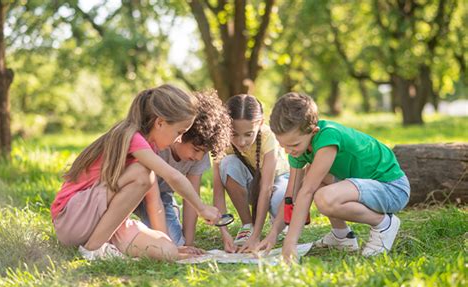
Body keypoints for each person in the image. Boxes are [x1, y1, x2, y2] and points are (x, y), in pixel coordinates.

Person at [50, 84, 220, 261]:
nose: (178, 139)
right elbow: (173, 176)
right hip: (73, 218)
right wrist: (201, 208)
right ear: (160, 122)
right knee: (142, 174)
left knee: (167, 252)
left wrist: (168, 243)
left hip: (100, 222)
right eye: (180, 132)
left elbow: (154, 201)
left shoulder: (149, 149)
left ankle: (99, 245)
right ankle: (92, 249)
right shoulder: (131, 137)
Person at [257, 92, 410, 261]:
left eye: (293, 145)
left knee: (324, 197)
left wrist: (290, 243)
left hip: (392, 189)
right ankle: (342, 237)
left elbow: (307, 191)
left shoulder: (328, 137)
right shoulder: (299, 147)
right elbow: (291, 195)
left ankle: (384, 224)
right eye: (283, 145)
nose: (288, 151)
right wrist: (272, 235)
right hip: (366, 187)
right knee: (312, 175)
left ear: (313, 131)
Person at [134, 90, 232, 249]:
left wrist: (189, 243)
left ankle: (169, 217)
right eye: (195, 149)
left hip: (163, 196)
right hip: (137, 191)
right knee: (164, 243)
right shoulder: (157, 143)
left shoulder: (198, 157)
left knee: (176, 243)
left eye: (204, 152)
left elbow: (191, 199)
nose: (199, 157)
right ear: (181, 134)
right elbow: (153, 198)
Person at [213, 94, 290, 252]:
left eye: (248, 134)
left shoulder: (269, 137)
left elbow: (266, 188)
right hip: (250, 182)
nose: (241, 142)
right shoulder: (221, 142)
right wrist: (224, 233)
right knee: (228, 164)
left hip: (277, 181)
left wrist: (256, 236)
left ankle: (276, 222)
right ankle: (247, 224)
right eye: (234, 134)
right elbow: (218, 192)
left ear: (260, 123)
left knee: (277, 201)